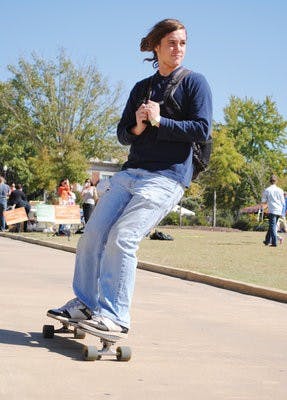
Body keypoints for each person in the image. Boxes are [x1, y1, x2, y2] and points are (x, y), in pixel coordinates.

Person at [48, 19, 212, 335]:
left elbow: (202, 129)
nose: (178, 49)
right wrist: (138, 125)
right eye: (171, 43)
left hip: (167, 178)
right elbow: (123, 134)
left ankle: (115, 316)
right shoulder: (142, 88)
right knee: (93, 234)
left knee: (123, 237)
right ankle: (84, 304)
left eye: (182, 43)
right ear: (156, 47)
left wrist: (161, 121)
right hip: (131, 173)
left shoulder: (195, 83)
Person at [261, 174, 285, 247]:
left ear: (269, 181)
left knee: (272, 226)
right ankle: (267, 241)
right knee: (272, 225)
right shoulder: (280, 190)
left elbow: (263, 201)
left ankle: (274, 242)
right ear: (276, 181)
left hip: (272, 210)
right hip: (279, 210)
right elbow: (283, 202)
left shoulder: (267, 190)